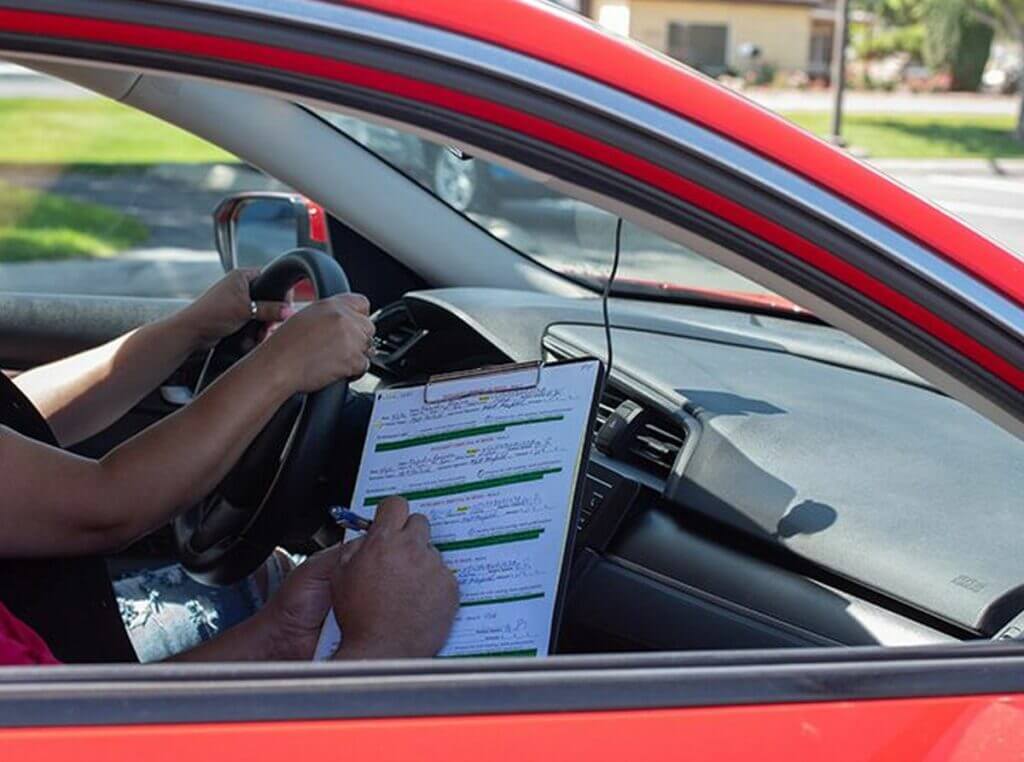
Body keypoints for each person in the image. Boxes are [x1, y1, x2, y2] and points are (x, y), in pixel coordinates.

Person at [0, 270, 458, 664]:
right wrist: (379, 652)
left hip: (78, 661)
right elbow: (102, 507)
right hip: (74, 680)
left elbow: (22, 415)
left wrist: (189, 329)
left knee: (271, 589)